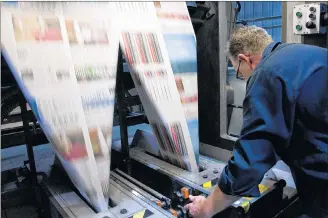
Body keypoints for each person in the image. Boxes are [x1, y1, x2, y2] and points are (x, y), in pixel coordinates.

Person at [184, 26, 328, 218]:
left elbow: (250, 161)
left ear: (245, 59)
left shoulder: (268, 72)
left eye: (239, 73)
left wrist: (206, 208)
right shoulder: (308, 55)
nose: (244, 79)